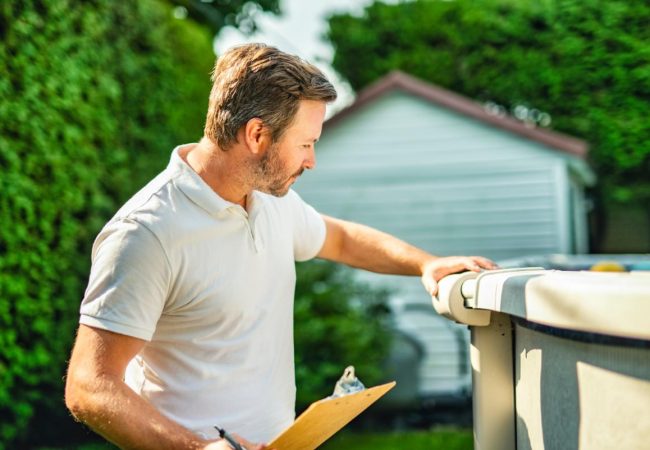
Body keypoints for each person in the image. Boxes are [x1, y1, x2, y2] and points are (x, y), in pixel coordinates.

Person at [64, 43, 496, 450]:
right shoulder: (147, 233)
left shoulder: (272, 202)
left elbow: (342, 239)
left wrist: (425, 264)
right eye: (306, 144)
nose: (311, 160)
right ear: (256, 135)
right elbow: (90, 385)